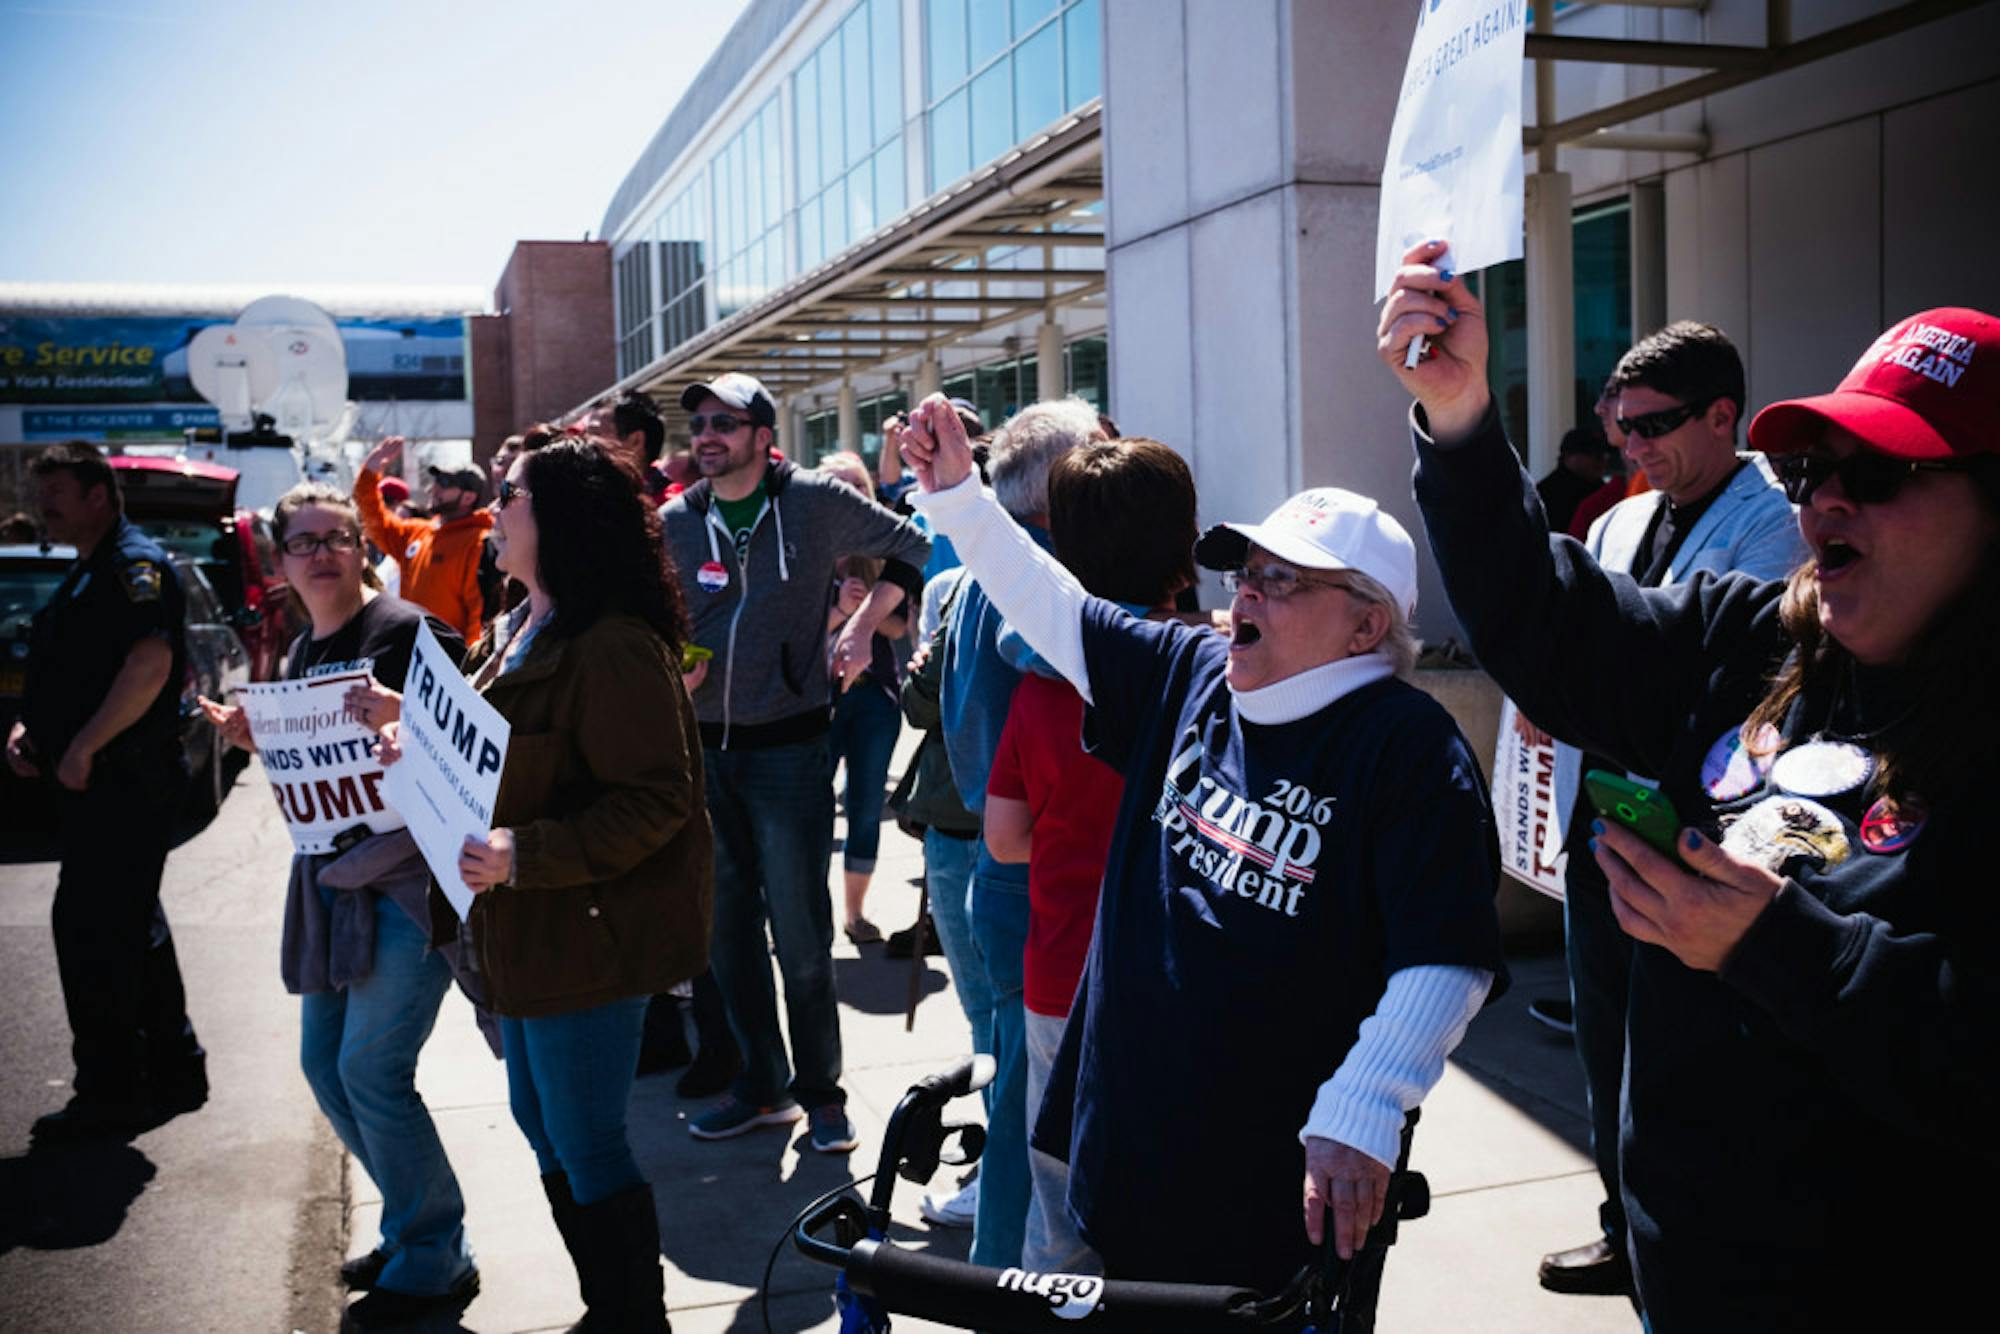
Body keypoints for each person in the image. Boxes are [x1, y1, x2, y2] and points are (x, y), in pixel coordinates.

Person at [1384, 238, 2000, 1330]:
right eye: (1810, 473)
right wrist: (1464, 416)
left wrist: (1768, 942)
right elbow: (1550, 623)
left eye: (1874, 475)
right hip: (1687, 1278)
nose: (1821, 507)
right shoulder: (1755, 639)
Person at [898, 396, 1507, 1294]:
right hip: (1117, 1128)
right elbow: (1055, 607)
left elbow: (1446, 954)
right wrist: (958, 499)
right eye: (1245, 570)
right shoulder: (1190, 674)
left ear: (1367, 625)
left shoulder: (1407, 746)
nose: (1246, 590)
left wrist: (1368, 1101)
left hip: (1253, 1185)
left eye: (1285, 579)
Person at [384, 438, 711, 1330]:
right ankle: (609, 1308)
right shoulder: (523, 623)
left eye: (513, 494)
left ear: (563, 518)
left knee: (588, 1141)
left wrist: (523, 854)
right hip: (524, 935)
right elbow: (494, 758)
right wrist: (414, 748)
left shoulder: (613, 645)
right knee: (544, 1127)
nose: (496, 509)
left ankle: (630, 1318)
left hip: (587, 935)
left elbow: (658, 800)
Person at [1529, 321, 1807, 1300]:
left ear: (1722, 415)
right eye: (1620, 429)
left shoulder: (1776, 524)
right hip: (1600, 818)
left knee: (1681, 1058)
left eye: (1653, 425)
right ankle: (1621, 1223)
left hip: (1694, 835)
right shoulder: (1613, 521)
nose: (1632, 446)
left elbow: (1725, 679)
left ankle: (1676, 1235)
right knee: (1603, 1038)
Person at [198, 483, 482, 1329]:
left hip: (402, 883)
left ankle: (435, 1248)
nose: (320, 553)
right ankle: (411, 1225)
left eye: (335, 538)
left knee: (370, 1069)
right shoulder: (297, 651)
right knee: (326, 1067)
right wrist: (262, 740)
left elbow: (470, 747)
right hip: (328, 885)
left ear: (363, 548)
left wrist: (413, 724)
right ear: (279, 562)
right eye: (303, 541)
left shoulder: (408, 632)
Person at [661, 372, 928, 1155]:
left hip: (790, 747)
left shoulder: (813, 501)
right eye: (699, 423)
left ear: (762, 434)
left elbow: (914, 545)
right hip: (704, 752)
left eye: (724, 422)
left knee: (803, 940)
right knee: (727, 935)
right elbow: (656, 611)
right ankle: (759, 1087)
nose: (706, 434)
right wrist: (677, 656)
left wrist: (864, 629)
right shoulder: (678, 518)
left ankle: (824, 1096)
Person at [982, 437, 1199, 1276]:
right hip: (1179, 979)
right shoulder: (1216, 676)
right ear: (1183, 548)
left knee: (1061, 1202)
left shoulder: (1040, 686)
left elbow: (1003, 836)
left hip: (1061, 970)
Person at [932, 398, 1100, 1271]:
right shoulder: (1031, 579)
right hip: (1024, 868)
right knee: (1024, 1122)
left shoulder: (971, 572)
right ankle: (1001, 1288)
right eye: (1101, 455)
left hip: (997, 860)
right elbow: (1075, 662)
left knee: (1020, 1100)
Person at [7, 441, 207, 1143]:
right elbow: (75, 670)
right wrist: (35, 728)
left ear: (98, 495)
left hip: (125, 779)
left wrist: (85, 746)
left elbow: (148, 666)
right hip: (102, 782)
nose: (44, 507)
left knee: (93, 935)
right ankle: (174, 1068)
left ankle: (112, 1090)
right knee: (130, 927)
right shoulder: (90, 570)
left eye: (56, 492)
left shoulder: (132, 564)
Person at [818, 449, 911, 943]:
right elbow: (783, 635)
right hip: (815, 699)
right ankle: (806, 911)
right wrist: (837, 612)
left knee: (866, 805)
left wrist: (868, 611)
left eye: (856, 485)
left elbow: (900, 627)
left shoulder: (883, 549)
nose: (847, 494)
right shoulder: (799, 547)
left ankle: (855, 914)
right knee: (810, 809)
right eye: (835, 484)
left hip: (875, 697)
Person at [355, 435, 494, 644]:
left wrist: (471, 665)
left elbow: (479, 612)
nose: (433, 489)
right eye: (436, 481)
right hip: (411, 652)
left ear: (468, 498)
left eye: (445, 483)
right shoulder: (417, 533)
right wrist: (370, 472)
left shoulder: (479, 543)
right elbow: (373, 522)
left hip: (449, 661)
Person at [587, 391, 672, 503]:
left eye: (595, 433)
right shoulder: (586, 497)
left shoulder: (673, 510)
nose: (585, 442)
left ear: (636, 441)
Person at [1537, 426, 1609, 536]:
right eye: (1594, 455)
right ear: (1569, 457)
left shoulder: (1603, 491)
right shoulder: (1548, 493)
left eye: (1604, 455)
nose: (1601, 461)